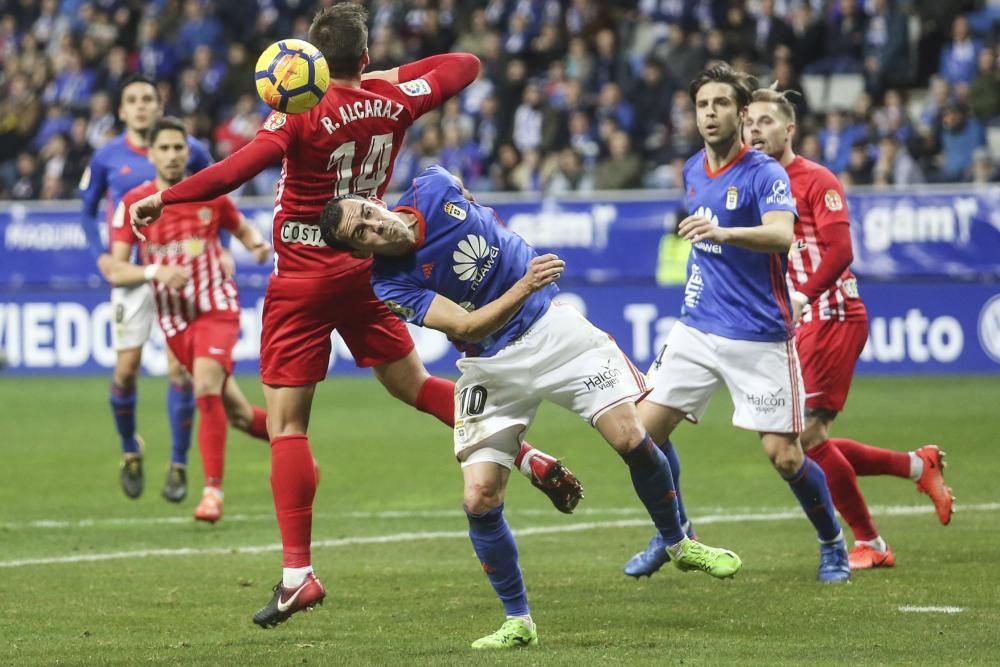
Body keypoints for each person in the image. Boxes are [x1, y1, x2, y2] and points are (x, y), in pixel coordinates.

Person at [127, 3, 582, 627]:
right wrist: (384, 80)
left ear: (307, 62)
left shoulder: (295, 114)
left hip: (303, 280)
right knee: (414, 385)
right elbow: (466, 64)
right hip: (369, 265)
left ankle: (297, 576)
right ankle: (527, 455)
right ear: (364, 57)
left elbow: (233, 172)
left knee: (288, 428)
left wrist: (163, 197)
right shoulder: (391, 98)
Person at [319, 165, 742, 649]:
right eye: (363, 232)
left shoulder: (432, 185)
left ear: (374, 201)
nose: (376, 224)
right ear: (359, 251)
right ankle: (518, 620)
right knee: (479, 498)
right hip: (492, 364)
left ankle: (680, 544)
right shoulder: (391, 285)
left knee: (631, 436)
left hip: (555, 332)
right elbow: (469, 326)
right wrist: (524, 282)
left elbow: (461, 189)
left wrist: (491, 229)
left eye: (369, 212)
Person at [622, 62, 851, 583]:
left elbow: (781, 236)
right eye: (703, 105)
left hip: (759, 332)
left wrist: (722, 232)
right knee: (640, 437)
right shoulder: (691, 169)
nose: (710, 113)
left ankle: (833, 543)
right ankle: (674, 533)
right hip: (697, 326)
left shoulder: (764, 172)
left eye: (721, 104)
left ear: (741, 113)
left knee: (786, 456)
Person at [742, 87, 954, 569]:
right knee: (794, 442)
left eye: (766, 122)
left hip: (831, 314)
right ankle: (918, 465)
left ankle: (871, 544)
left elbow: (839, 252)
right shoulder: (751, 184)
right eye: (749, 122)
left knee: (808, 438)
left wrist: (799, 296)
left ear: (789, 129)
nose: (756, 130)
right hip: (796, 323)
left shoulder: (816, 179)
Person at [100, 117, 272, 522]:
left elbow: (242, 229)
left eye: (179, 148)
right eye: (165, 148)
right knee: (240, 414)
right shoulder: (137, 204)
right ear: (152, 153)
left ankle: (212, 492)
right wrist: (153, 273)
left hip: (217, 309)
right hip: (176, 324)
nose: (173, 155)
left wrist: (257, 245)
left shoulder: (210, 194)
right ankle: (294, 446)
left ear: (187, 152)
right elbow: (116, 269)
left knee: (206, 386)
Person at [80, 74, 214, 502]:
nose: (140, 106)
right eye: (132, 100)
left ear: (160, 105)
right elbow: (87, 212)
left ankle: (177, 464)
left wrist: (222, 249)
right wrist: (100, 253)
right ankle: (128, 449)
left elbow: (218, 200)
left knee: (180, 370)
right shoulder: (106, 157)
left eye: (148, 99)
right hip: (136, 274)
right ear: (121, 110)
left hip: (179, 271)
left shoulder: (191, 152)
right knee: (125, 370)